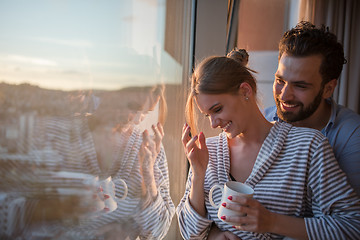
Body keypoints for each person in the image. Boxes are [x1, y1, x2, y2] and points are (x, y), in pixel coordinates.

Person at [176, 49, 360, 240]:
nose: (213, 123)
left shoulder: (308, 146)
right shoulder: (208, 153)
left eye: (218, 109)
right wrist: (198, 174)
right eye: (207, 115)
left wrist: (272, 222)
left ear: (245, 91)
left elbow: (352, 225)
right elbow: (190, 233)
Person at [0, 84, 175, 239]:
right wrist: (55, 209)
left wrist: (148, 177)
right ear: (108, 92)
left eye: (145, 112)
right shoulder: (56, 131)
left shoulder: (149, 149)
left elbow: (158, 232)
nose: (136, 119)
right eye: (131, 107)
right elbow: (6, 207)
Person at [264, 21, 360, 195]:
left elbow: (351, 217)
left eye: (300, 86)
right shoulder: (264, 120)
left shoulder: (352, 135)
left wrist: (269, 221)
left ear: (328, 89)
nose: (284, 96)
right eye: (280, 81)